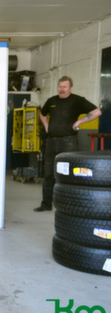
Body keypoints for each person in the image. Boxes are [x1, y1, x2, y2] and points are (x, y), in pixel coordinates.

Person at [34, 76, 102, 212]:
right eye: (60, 86)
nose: (62, 89)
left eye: (65, 87)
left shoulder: (77, 100)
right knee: (49, 174)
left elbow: (97, 111)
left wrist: (79, 122)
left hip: (68, 142)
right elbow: (42, 114)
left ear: (71, 88)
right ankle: (46, 204)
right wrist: (46, 126)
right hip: (51, 142)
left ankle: (70, 205)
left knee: (69, 175)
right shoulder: (51, 101)